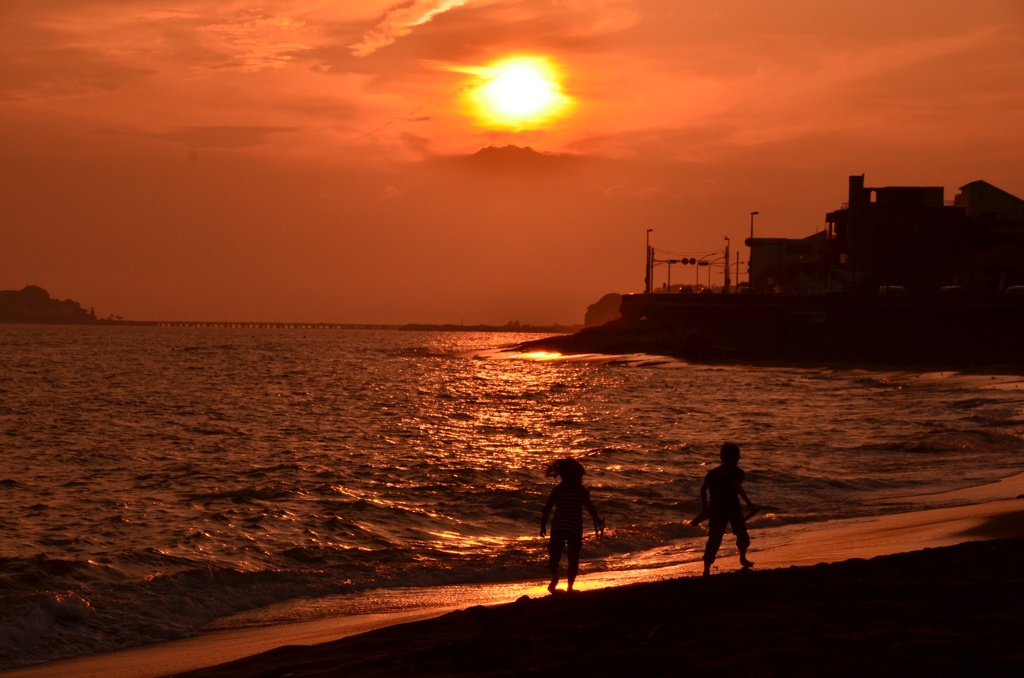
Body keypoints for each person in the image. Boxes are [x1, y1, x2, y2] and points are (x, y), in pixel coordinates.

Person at [540, 457, 604, 593]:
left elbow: (547, 508)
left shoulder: (557, 490)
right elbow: (589, 507)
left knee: (554, 555)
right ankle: (570, 587)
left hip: (558, 527)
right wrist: (597, 520)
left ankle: (555, 577)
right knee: (573, 557)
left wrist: (543, 526)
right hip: (574, 528)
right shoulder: (581, 491)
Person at [699, 442, 756, 577]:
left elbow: (703, 489)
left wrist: (705, 507)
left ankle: (706, 570)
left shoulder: (712, 473)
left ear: (722, 457)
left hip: (716, 509)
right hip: (732, 508)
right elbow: (737, 486)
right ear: (737, 458)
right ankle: (742, 557)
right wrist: (748, 502)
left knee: (714, 539)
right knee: (741, 533)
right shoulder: (738, 472)